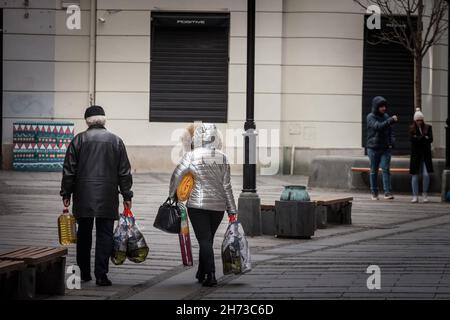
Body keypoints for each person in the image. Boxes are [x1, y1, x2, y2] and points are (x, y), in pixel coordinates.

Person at [60, 105, 133, 286]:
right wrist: (127, 195)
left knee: (83, 234)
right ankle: (101, 274)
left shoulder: (78, 140)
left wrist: (66, 192)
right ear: (104, 120)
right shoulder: (116, 141)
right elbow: (124, 171)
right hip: (108, 195)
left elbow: (69, 170)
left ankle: (83, 273)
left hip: (83, 194)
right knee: (105, 235)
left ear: (87, 121)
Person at [169, 123, 237, 287]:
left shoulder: (191, 156)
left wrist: (172, 196)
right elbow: (227, 186)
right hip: (218, 207)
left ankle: (211, 274)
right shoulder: (223, 157)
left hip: (197, 206)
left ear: (197, 138)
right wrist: (232, 210)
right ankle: (202, 272)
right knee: (207, 239)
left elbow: (177, 176)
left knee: (204, 240)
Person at [366, 96, 398, 200]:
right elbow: (377, 127)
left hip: (385, 148)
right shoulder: (370, 117)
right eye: (381, 106)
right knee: (374, 170)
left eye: (385, 106)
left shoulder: (386, 116)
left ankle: (387, 192)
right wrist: (390, 121)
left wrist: (391, 142)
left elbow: (391, 131)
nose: (384, 108)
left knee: (386, 169)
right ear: (376, 107)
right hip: (373, 147)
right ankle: (374, 192)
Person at [409, 108, 433, 203]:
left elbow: (430, 139)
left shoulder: (428, 127)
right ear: (415, 120)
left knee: (426, 175)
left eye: (421, 119)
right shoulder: (411, 128)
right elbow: (413, 140)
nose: (419, 121)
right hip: (415, 155)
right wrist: (423, 137)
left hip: (426, 154)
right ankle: (415, 195)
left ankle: (425, 194)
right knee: (415, 175)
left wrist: (419, 138)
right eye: (418, 120)